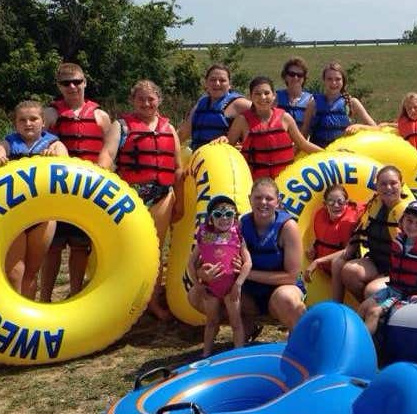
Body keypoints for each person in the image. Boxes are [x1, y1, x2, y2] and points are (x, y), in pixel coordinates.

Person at [99, 80, 185, 320]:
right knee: (125, 249)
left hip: (162, 196)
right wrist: (100, 174)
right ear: (133, 101)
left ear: (159, 100)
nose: (146, 103)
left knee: (155, 251)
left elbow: (178, 169)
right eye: (141, 99)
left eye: (151, 99)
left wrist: (181, 202)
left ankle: (153, 300)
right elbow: (107, 154)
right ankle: (123, 300)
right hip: (129, 197)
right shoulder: (121, 126)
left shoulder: (169, 129)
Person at [189, 178, 307, 334]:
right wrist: (203, 274)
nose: (263, 202)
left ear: (278, 201)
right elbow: (212, 256)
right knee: (196, 295)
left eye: (269, 198)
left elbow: (291, 277)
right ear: (249, 199)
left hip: (280, 290)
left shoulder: (288, 227)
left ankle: (302, 341)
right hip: (249, 295)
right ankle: (246, 324)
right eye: (258, 198)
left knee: (287, 300)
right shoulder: (240, 224)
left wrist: (248, 274)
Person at [40, 63, 112, 302]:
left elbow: (111, 154)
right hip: (57, 191)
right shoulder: (49, 115)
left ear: (85, 82)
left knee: (80, 246)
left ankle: (75, 294)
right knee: (53, 247)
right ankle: (46, 298)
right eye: (66, 83)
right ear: (58, 86)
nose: (72, 87)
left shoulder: (101, 117)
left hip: (87, 193)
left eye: (77, 82)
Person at [0, 100, 68, 300]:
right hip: (13, 215)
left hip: (43, 216)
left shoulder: (54, 145)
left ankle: (28, 318)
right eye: (22, 120)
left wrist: (55, 160)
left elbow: (67, 171)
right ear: (16, 123)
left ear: (43, 122)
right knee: (14, 272)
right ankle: (14, 316)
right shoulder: (6, 144)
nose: (28, 123)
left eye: (33, 119)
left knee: (31, 271)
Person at [338, 165, 417, 302]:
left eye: (393, 183)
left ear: (402, 185)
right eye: (383, 184)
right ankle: (373, 309)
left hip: (403, 271)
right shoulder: (374, 204)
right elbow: (362, 230)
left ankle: (380, 311)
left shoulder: (411, 214)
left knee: (371, 290)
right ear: (377, 186)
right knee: (349, 272)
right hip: (377, 262)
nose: (388, 188)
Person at [358, 200, 417, 334]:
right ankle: (351, 339)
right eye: (409, 220)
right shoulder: (399, 239)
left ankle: (362, 347)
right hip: (392, 290)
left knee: (374, 312)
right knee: (363, 307)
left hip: (407, 296)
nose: (412, 226)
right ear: (402, 220)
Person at [187, 195, 252, 357]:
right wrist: (198, 284)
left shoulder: (238, 235)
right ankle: (206, 354)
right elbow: (191, 263)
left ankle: (239, 355)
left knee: (236, 323)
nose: (224, 218)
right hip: (210, 289)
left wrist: (238, 284)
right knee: (211, 322)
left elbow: (248, 262)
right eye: (218, 214)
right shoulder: (203, 236)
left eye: (229, 214)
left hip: (231, 288)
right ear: (210, 218)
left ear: (235, 217)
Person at [227, 76, 322, 179]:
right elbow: (227, 147)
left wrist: (331, 154)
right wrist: (222, 140)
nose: (263, 97)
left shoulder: (285, 118)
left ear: (274, 96)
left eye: (267, 93)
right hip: (255, 184)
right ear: (250, 97)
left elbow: (303, 145)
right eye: (257, 94)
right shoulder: (242, 121)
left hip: (285, 182)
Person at [303, 185, 365, 302]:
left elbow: (349, 250)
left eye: (340, 202)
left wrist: (318, 261)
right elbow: (322, 238)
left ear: (346, 203)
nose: (336, 206)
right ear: (324, 204)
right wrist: (314, 248)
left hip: (345, 265)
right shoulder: (320, 216)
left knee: (337, 262)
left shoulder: (353, 219)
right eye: (331, 202)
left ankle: (337, 305)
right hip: (323, 273)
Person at [179, 63, 252, 151]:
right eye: (213, 80)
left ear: (229, 84)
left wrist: (245, 144)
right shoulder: (200, 104)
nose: (217, 83)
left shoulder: (239, 104)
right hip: (200, 158)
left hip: (225, 160)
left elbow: (264, 117)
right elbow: (183, 134)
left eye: (222, 80)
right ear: (206, 83)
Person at [301, 61, 376, 147]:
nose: (334, 83)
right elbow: (304, 134)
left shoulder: (352, 103)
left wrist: (359, 127)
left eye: (338, 79)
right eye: (329, 79)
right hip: (320, 154)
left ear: (343, 81)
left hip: (342, 155)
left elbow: (375, 128)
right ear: (324, 81)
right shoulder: (313, 103)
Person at [351, 92, 417, 157]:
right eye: (409, 109)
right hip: (415, 159)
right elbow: (378, 129)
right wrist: (359, 126)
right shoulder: (402, 125)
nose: (413, 110)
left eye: (416, 107)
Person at [276, 57, 314, 127]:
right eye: (292, 74)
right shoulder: (275, 98)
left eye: (300, 75)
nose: (295, 78)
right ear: (285, 76)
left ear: (304, 78)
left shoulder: (311, 101)